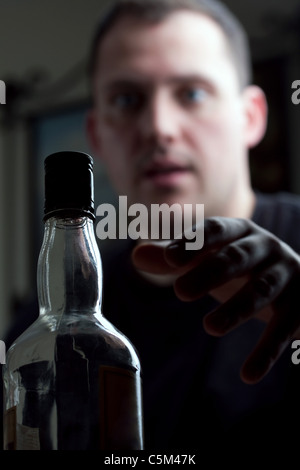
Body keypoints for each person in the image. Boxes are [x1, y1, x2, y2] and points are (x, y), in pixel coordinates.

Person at [3, 0, 300, 453]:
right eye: (128, 99)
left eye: (192, 93)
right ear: (97, 135)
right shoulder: (44, 333)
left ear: (251, 117)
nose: (159, 128)